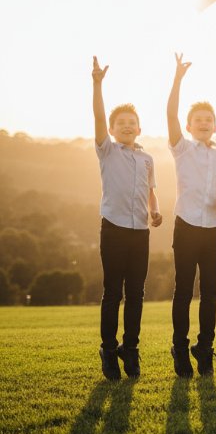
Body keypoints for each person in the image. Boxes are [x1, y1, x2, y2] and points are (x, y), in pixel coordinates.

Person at [92, 56, 163, 380]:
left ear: (139, 128)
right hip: (114, 228)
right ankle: (108, 349)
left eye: (131, 122)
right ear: (112, 129)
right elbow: (97, 117)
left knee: (137, 293)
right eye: (121, 122)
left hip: (140, 231)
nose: (126, 126)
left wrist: (155, 209)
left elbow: (150, 191)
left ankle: (130, 349)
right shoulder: (107, 150)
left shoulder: (147, 158)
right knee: (113, 292)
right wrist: (97, 85)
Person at [166, 52, 216, 377]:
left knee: (211, 292)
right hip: (187, 225)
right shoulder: (182, 147)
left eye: (209, 119)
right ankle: (180, 348)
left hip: (213, 229)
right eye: (198, 120)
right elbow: (171, 114)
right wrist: (178, 78)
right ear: (190, 127)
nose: (204, 123)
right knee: (183, 289)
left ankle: (204, 348)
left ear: (215, 125)